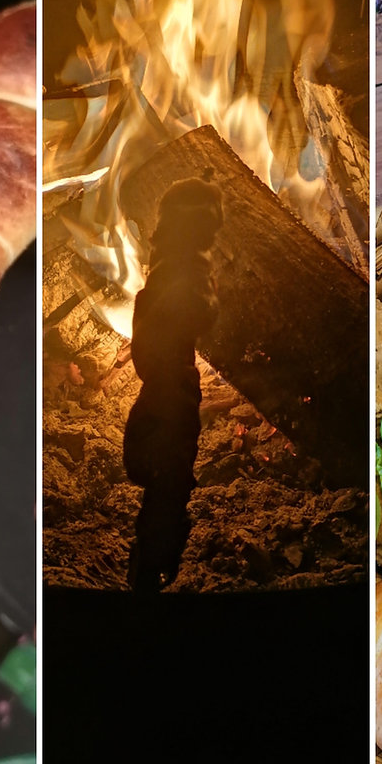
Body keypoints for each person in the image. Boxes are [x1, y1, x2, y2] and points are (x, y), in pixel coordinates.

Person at [123, 177, 223, 591]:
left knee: (168, 479)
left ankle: (153, 560)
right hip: (172, 389)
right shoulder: (185, 274)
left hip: (161, 385)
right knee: (171, 481)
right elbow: (200, 313)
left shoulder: (163, 269)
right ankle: (153, 567)